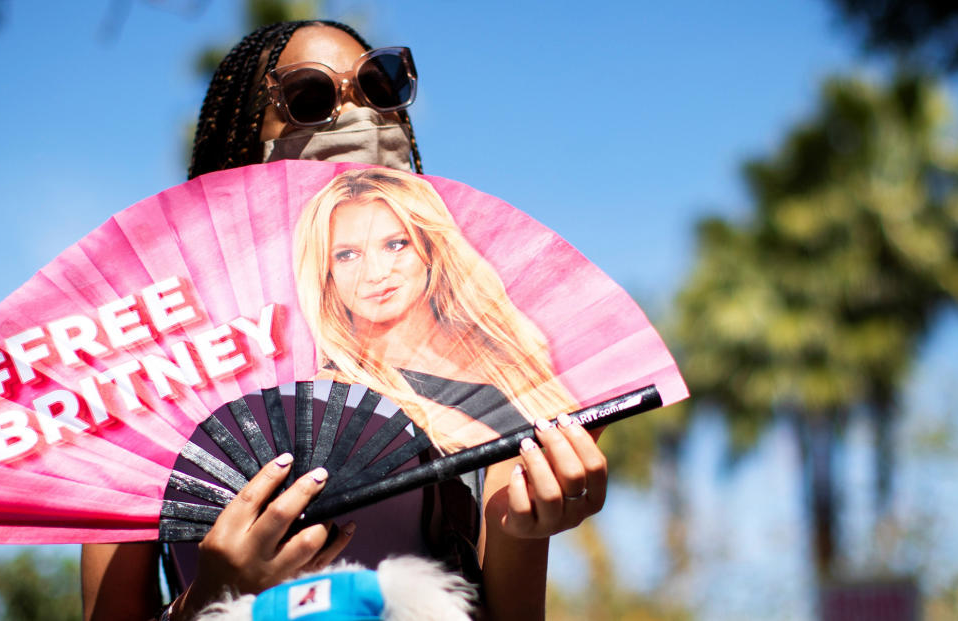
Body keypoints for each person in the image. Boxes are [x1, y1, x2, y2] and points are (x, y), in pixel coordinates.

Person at [81, 20, 609, 621]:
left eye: (378, 87)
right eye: (311, 96)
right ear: (243, 140)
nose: (355, 115)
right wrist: (210, 598)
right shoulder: (150, 371)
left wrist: (524, 529)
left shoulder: (482, 381)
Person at [293, 167, 579, 451]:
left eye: (395, 245)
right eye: (348, 255)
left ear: (429, 247)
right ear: (326, 273)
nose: (376, 273)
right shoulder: (338, 397)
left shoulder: (504, 345)